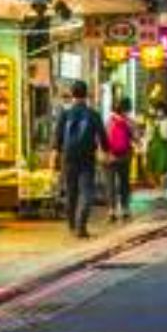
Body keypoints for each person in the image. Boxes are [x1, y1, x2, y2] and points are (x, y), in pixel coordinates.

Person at [51, 81, 104, 238]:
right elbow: (102, 136)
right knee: (87, 192)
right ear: (86, 94)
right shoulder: (93, 114)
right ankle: (81, 225)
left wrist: (55, 155)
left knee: (71, 192)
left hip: (68, 158)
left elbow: (57, 137)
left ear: (72, 94)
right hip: (87, 159)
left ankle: (72, 225)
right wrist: (106, 151)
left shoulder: (65, 114)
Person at [105, 97, 137, 221]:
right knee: (124, 182)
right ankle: (125, 209)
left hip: (110, 157)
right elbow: (136, 137)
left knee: (110, 184)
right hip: (124, 156)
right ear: (127, 108)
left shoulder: (108, 121)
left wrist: (106, 153)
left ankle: (111, 211)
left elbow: (103, 139)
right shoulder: (129, 122)